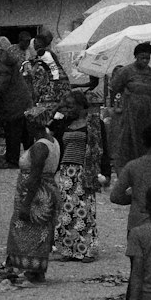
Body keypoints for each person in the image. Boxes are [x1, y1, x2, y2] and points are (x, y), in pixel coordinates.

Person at [5, 110, 61, 282]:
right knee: (41, 232)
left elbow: (35, 177)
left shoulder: (39, 147)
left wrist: (27, 203)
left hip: (37, 196)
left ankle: (31, 270)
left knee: (24, 229)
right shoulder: (53, 141)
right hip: (47, 190)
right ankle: (35, 269)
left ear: (32, 125)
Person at [52, 90, 103, 262]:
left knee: (84, 211)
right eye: (66, 106)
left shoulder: (94, 123)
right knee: (66, 212)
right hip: (66, 172)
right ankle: (68, 249)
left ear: (82, 106)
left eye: (71, 105)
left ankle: (87, 250)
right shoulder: (65, 122)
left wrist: (105, 173)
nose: (68, 109)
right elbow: (45, 123)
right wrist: (58, 107)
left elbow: (102, 148)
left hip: (84, 171)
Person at [108, 42, 151, 175]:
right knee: (127, 142)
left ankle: (144, 171)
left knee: (145, 141)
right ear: (136, 56)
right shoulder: (125, 71)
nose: (145, 61)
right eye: (142, 57)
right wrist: (120, 103)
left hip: (146, 114)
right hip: (129, 113)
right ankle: (126, 172)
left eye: (147, 58)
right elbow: (114, 88)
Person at [0, 35, 34, 167]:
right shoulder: (0, 60)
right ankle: (30, 159)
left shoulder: (3, 63)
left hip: (15, 101)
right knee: (21, 132)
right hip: (18, 99)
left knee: (13, 132)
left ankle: (12, 161)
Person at [30, 33, 71, 114]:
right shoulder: (49, 54)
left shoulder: (43, 54)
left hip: (54, 88)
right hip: (59, 88)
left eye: (36, 42)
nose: (35, 45)